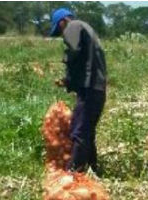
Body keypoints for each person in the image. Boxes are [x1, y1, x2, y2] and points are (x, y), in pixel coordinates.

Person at [50, 7, 107, 176]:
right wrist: (69, 81)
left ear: (62, 22)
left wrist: (68, 73)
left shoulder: (73, 26)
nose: (62, 34)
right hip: (95, 87)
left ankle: (74, 173)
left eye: (59, 30)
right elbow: (83, 58)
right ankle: (93, 169)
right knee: (86, 130)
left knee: (79, 131)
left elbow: (73, 51)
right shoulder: (85, 27)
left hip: (90, 87)